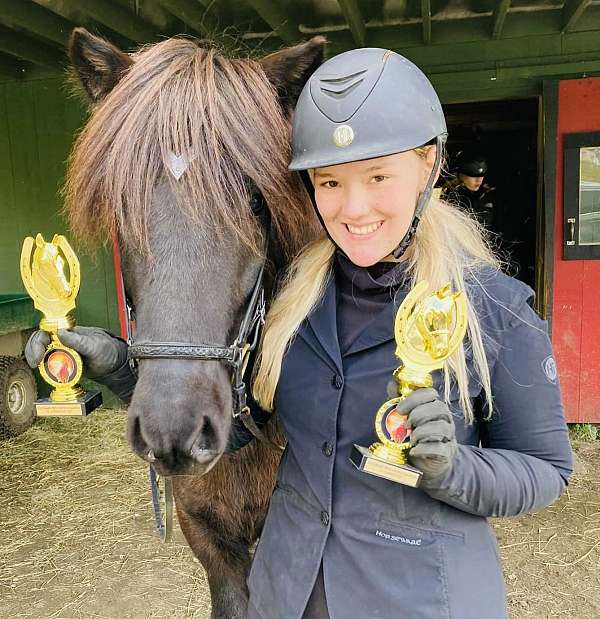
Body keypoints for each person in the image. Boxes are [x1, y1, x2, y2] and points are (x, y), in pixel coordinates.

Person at [26, 48, 572, 619]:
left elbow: (546, 470)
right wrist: (119, 367)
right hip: (288, 593)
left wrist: (453, 468)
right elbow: (241, 434)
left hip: (416, 598)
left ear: (429, 166)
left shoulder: (494, 309)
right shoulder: (294, 303)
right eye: (330, 181)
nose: (353, 207)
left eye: (379, 176)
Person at [442, 150, 495, 228]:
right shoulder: (452, 198)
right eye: (473, 175)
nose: (479, 180)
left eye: (482, 175)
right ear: (459, 174)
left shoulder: (486, 195)